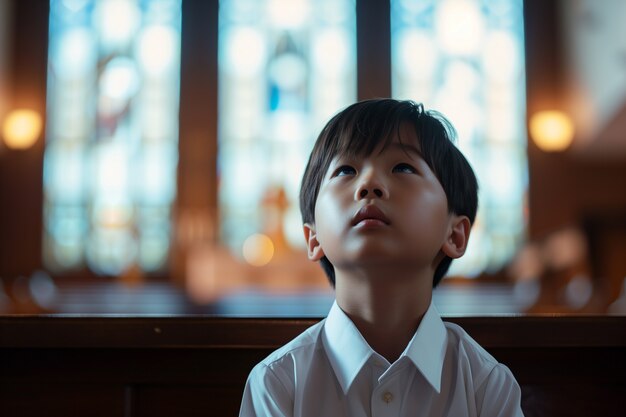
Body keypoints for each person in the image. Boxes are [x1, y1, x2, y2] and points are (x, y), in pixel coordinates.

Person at [239, 99, 524, 417]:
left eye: (403, 167)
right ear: (313, 237)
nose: (369, 184)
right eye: (346, 170)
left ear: (454, 235)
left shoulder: (484, 385)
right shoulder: (279, 384)